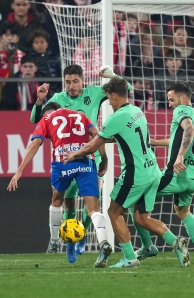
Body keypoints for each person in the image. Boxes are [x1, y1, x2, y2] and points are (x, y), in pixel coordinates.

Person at [63, 77, 190, 268]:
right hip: (153, 171)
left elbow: (92, 146)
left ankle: (130, 257)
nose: (109, 103)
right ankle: (175, 243)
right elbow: (123, 136)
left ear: (114, 96)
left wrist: (73, 154)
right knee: (141, 217)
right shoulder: (136, 110)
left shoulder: (114, 118)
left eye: (108, 98)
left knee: (113, 212)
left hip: (135, 175)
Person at [30, 64, 132, 261]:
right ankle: (70, 241)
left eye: (75, 81)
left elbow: (124, 89)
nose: (71, 86)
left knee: (92, 198)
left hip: (90, 155)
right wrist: (39, 100)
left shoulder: (94, 93)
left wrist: (112, 75)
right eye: (68, 82)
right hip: (67, 158)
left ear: (82, 80)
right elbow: (37, 120)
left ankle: (82, 235)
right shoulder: (58, 99)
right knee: (68, 202)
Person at [7, 102, 112, 267]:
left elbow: (35, 144)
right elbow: (96, 135)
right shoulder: (80, 115)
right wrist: (104, 159)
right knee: (93, 209)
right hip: (85, 162)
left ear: (47, 113)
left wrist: (20, 170)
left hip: (62, 162)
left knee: (57, 200)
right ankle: (104, 242)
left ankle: (55, 241)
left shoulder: (47, 118)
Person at [132, 82, 194, 266]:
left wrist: (179, 157)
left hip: (176, 174)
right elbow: (181, 137)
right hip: (193, 176)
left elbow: (188, 130)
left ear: (183, 98)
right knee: (183, 211)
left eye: (171, 100)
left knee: (134, 201)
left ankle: (148, 247)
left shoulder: (181, 110)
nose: (169, 104)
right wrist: (155, 142)